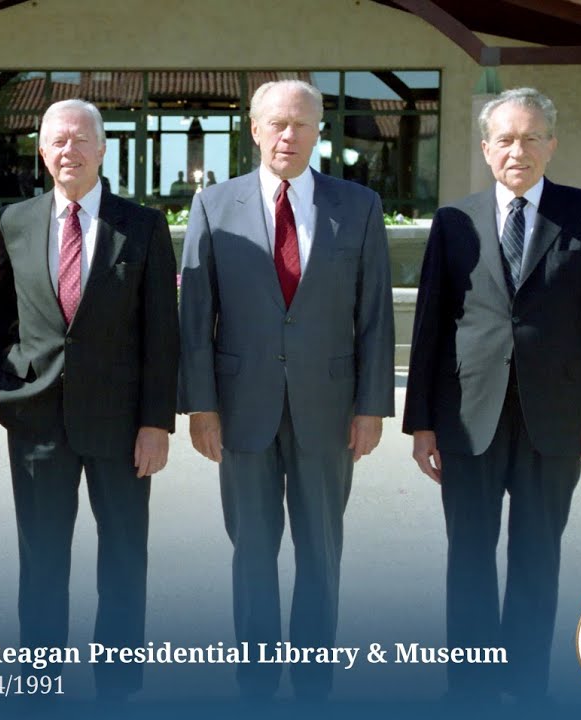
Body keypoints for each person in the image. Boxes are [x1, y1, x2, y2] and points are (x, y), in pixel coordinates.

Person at [403, 87, 581, 703]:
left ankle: (526, 685)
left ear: (552, 144)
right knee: (469, 557)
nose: (518, 150)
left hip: (554, 417)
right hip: (467, 417)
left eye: (531, 137)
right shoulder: (454, 221)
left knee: (536, 556)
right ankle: (471, 687)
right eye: (505, 138)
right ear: (485, 148)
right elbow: (429, 326)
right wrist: (421, 423)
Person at [177, 79, 394, 701]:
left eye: (301, 123)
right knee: (251, 550)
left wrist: (373, 407)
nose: (288, 135)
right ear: (254, 129)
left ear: (319, 129)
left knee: (322, 550)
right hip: (241, 408)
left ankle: (314, 678)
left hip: (330, 408)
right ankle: (255, 676)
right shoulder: (215, 205)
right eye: (276, 123)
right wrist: (201, 406)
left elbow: (375, 314)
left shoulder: (358, 205)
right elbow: (196, 316)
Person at [0, 99, 179, 701]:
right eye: (57, 142)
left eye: (80, 140)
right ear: (43, 151)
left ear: (102, 149)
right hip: (36, 417)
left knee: (122, 558)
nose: (69, 151)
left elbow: (161, 334)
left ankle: (117, 684)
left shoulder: (140, 226)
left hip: (121, 427)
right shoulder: (17, 220)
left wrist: (155, 423)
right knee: (40, 560)